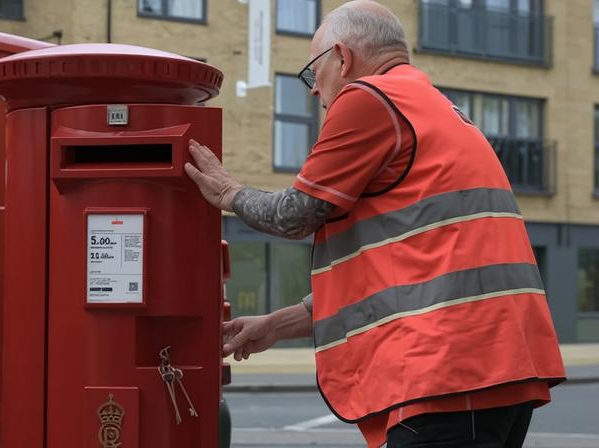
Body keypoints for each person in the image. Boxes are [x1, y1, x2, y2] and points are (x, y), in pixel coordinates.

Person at [183, 1, 566, 447]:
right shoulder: (436, 107)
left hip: (447, 372)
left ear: (343, 58)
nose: (313, 91)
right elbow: (402, 277)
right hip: (497, 366)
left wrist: (229, 193)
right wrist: (275, 325)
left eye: (312, 72)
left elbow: (295, 214)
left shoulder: (369, 98)